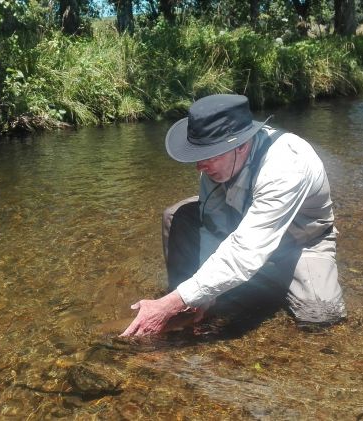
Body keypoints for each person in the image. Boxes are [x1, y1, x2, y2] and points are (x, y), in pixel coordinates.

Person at [121, 94, 346, 337]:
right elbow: (213, 226)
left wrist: (168, 304)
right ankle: (190, 304)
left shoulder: (287, 165)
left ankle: (184, 300)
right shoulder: (214, 166)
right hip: (244, 228)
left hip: (300, 243)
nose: (200, 167)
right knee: (178, 215)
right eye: (198, 156)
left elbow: (245, 252)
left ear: (242, 145)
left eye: (209, 155)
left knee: (321, 317)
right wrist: (201, 297)